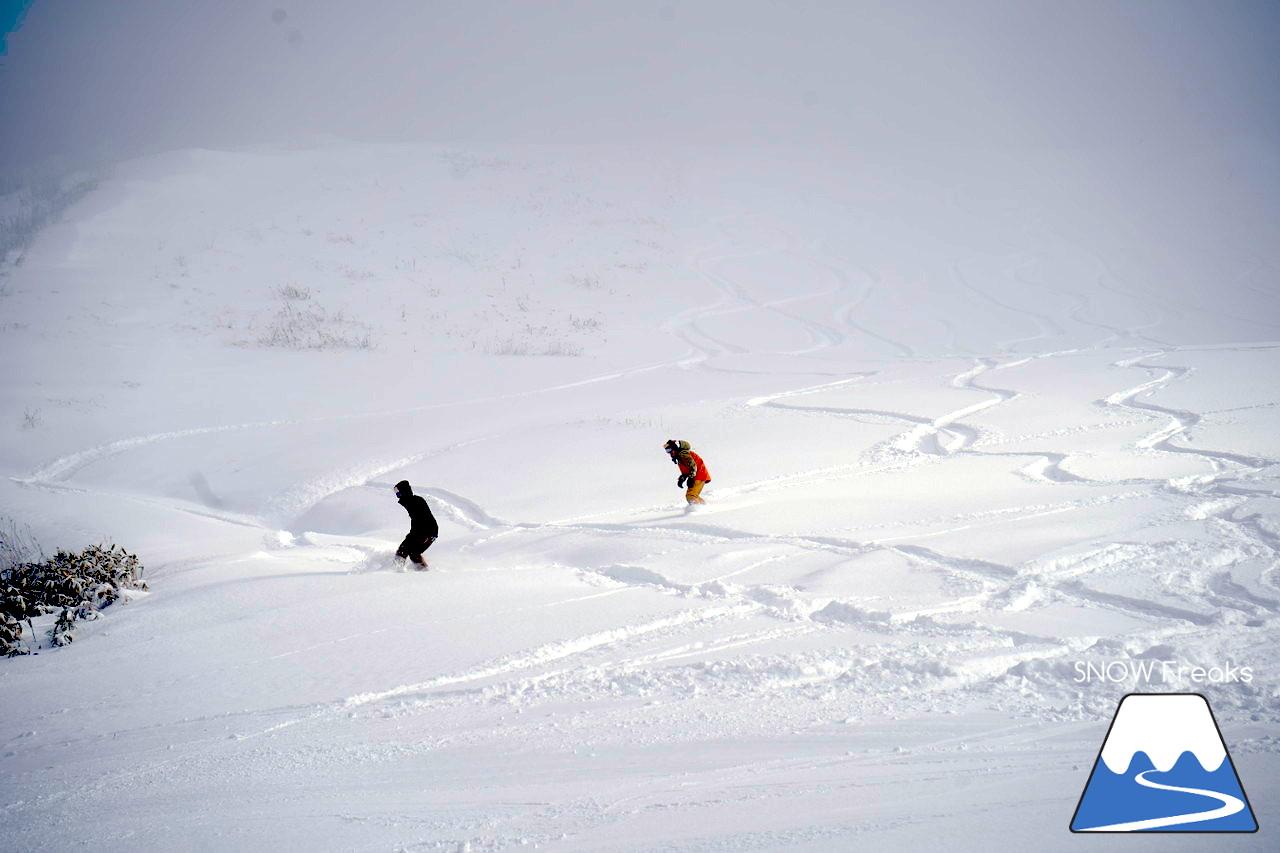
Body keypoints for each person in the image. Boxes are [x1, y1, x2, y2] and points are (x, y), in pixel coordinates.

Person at [393, 479, 438, 568]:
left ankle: (424, 573)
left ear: (404, 491)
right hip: (419, 531)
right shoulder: (412, 502)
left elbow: (424, 520)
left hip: (428, 532)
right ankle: (396, 569)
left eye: (398, 492)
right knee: (403, 550)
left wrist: (424, 535)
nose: (397, 496)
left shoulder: (415, 502)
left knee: (413, 552)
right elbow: (417, 521)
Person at [664, 439, 711, 505]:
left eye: (670, 450)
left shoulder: (684, 454)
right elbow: (686, 470)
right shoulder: (680, 457)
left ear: (676, 448)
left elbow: (692, 465)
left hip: (699, 476)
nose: (669, 452)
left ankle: (698, 509)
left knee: (691, 496)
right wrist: (682, 478)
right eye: (667, 451)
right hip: (697, 476)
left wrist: (691, 477)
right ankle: (704, 506)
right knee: (692, 496)